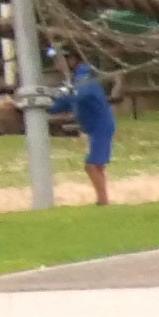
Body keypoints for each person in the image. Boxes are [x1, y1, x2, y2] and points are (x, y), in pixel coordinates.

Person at [52, 54, 115, 208]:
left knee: (92, 165)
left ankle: (103, 201)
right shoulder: (75, 79)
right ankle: (103, 200)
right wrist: (46, 105)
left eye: (59, 60)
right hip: (94, 127)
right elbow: (65, 102)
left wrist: (61, 94)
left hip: (100, 126)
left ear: (71, 60)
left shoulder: (85, 75)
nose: (55, 65)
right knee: (96, 165)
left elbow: (81, 94)